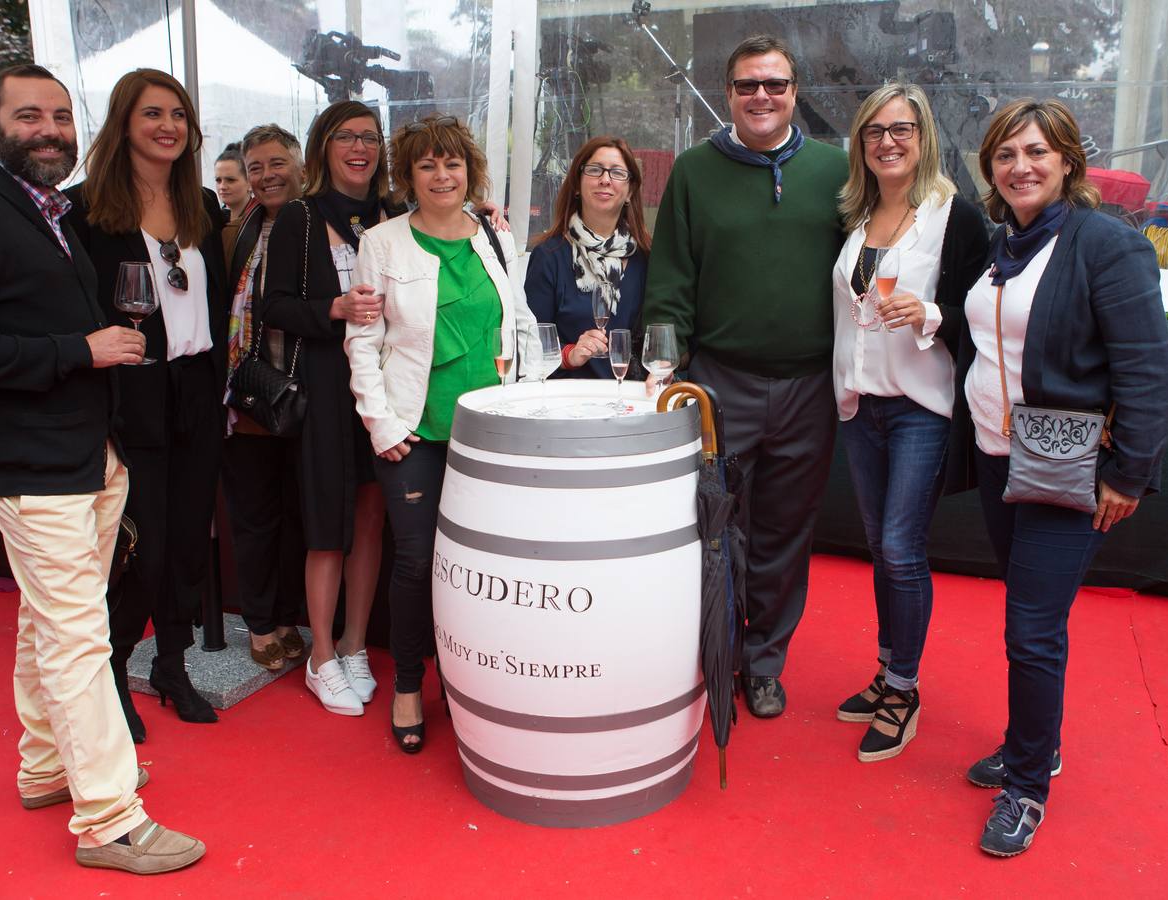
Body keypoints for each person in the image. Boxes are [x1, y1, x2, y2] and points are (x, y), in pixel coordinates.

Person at [0, 63, 203, 874]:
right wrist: (79, 349)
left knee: (45, 624)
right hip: (30, 463)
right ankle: (108, 819)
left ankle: (46, 769)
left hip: (84, 453)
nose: (50, 130)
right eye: (29, 116)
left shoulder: (49, 212)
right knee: (79, 637)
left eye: (61, 117)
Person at [949, 99, 1168, 856]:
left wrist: (1128, 476)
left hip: (1068, 467)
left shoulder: (1107, 247)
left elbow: (1147, 372)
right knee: (1031, 617)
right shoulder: (1001, 244)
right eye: (1007, 154)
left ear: (1069, 161)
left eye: (1038, 152)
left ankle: (1026, 786)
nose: (1022, 166)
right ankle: (1034, 744)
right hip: (995, 457)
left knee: (1031, 628)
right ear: (991, 168)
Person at [643, 34, 848, 718]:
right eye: (747, 85)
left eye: (776, 84)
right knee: (717, 528)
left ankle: (765, 663)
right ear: (728, 94)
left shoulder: (837, 172)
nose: (762, 96)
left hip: (809, 389)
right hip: (720, 385)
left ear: (795, 92)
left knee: (786, 535)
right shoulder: (695, 172)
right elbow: (670, 278)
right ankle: (718, 654)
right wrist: (664, 369)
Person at [346, 114, 538, 753]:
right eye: (426, 165)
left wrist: (528, 405)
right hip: (415, 434)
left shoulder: (496, 236)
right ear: (408, 175)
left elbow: (518, 325)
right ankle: (408, 684)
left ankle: (470, 680)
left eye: (451, 163)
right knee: (417, 563)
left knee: (483, 565)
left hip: (491, 437)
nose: (441, 175)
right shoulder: (382, 243)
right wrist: (382, 426)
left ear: (469, 171)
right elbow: (363, 341)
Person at [65, 68, 229, 740]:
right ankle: (116, 672)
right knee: (142, 546)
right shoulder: (84, 212)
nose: (168, 127)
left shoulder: (204, 206)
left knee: (189, 538)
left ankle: (171, 665)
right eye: (153, 114)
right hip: (132, 395)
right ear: (123, 124)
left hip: (197, 391)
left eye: (179, 116)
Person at [830, 84, 989, 761]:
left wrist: (930, 313)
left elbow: (980, 311)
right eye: (874, 132)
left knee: (901, 549)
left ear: (923, 138)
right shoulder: (855, 215)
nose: (887, 142)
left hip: (922, 406)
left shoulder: (956, 218)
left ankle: (903, 687)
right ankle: (890, 666)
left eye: (901, 130)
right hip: (860, 405)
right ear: (860, 144)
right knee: (879, 545)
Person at [260, 100, 390, 715]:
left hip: (386, 389)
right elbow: (273, 305)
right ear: (323, 147)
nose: (359, 148)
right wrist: (332, 311)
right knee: (326, 524)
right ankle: (321, 656)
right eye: (346, 137)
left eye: (369, 137)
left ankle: (357, 644)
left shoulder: (397, 214)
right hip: (325, 387)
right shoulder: (299, 219)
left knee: (370, 517)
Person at [221, 124, 309, 670]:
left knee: (298, 517)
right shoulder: (235, 232)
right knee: (255, 516)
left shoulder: (317, 226)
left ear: (300, 166)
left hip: (305, 398)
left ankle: (285, 616)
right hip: (249, 398)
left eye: (277, 163)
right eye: (256, 167)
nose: (267, 175)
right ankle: (259, 623)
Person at [524, 136, 650, 377]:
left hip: (631, 403)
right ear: (577, 185)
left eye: (617, 173)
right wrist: (570, 355)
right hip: (568, 403)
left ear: (630, 191)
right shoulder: (549, 257)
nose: (605, 180)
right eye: (595, 170)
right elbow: (530, 348)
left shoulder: (646, 258)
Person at [215, 144, 252, 223]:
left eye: (230, 180)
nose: (222, 186)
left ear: (249, 183)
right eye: (218, 180)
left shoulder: (262, 220)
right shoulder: (213, 220)